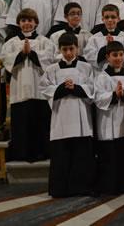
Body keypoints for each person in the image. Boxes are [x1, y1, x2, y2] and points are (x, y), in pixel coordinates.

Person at [39, 33, 96, 198]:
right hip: (61, 117)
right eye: (65, 49)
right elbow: (45, 89)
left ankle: (83, 187)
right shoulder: (52, 69)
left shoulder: (86, 68)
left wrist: (76, 88)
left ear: (77, 48)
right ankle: (60, 189)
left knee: (82, 154)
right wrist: (63, 88)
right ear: (60, 50)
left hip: (81, 118)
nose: (69, 53)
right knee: (61, 155)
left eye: (71, 49)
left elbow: (91, 88)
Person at [0, 8, 55, 162]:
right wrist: (21, 54)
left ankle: (42, 152)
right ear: (19, 23)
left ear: (36, 23)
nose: (27, 24)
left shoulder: (44, 41)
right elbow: (5, 59)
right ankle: (22, 153)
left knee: (41, 124)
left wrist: (31, 53)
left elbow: (49, 59)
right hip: (20, 90)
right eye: (23, 21)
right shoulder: (11, 42)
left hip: (39, 91)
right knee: (21, 124)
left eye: (30, 21)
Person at [93, 41, 124, 194]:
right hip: (108, 123)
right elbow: (98, 98)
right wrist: (115, 95)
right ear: (108, 57)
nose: (118, 58)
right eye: (115, 55)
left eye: (121, 55)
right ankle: (110, 187)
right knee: (109, 157)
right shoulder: (100, 78)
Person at [84, 4, 124, 72]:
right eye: (107, 17)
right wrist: (106, 48)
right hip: (101, 75)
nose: (110, 20)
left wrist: (111, 49)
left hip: (121, 75)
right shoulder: (94, 38)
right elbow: (90, 57)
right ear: (103, 19)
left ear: (118, 19)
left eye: (113, 17)